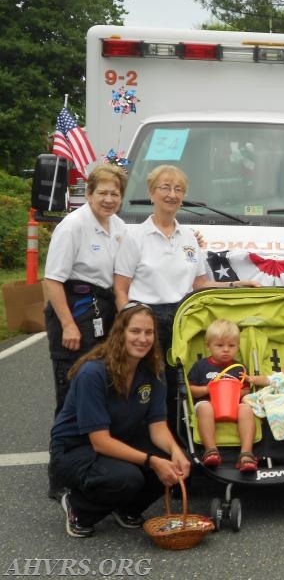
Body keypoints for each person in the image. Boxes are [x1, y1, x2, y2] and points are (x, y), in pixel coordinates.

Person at [113, 165, 258, 429]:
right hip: (146, 319)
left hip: (182, 319)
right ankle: (140, 439)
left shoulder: (190, 237)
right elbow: (121, 288)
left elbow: (200, 285)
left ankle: (174, 440)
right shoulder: (135, 237)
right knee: (145, 382)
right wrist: (128, 326)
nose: (172, 194)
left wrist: (239, 284)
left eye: (178, 189)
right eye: (165, 188)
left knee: (174, 383)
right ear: (151, 193)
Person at [49, 302, 191, 538]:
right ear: (119, 333)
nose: (142, 339)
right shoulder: (92, 373)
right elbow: (100, 442)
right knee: (127, 478)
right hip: (76, 448)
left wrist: (176, 452)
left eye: (149, 332)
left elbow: (158, 427)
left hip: (118, 439)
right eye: (135, 331)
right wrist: (152, 461)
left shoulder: (151, 371)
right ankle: (78, 507)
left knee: (177, 464)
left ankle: (126, 509)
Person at [43, 163, 127, 500]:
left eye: (115, 194)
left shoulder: (119, 227)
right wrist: (66, 324)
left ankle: (93, 461)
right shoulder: (72, 227)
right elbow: (52, 280)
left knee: (99, 390)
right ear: (88, 194)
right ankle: (59, 474)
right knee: (71, 393)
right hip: (73, 310)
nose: (109, 199)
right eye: (102, 192)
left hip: (103, 310)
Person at [187, 319, 264, 473]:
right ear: (208, 346)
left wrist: (234, 392)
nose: (226, 350)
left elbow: (247, 391)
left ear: (237, 347)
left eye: (231, 346)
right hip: (208, 403)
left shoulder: (238, 368)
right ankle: (210, 450)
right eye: (220, 345)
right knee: (205, 407)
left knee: (246, 409)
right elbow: (191, 390)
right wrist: (207, 390)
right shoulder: (201, 366)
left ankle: (246, 453)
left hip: (232, 405)